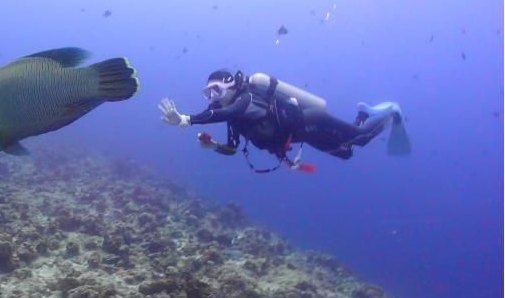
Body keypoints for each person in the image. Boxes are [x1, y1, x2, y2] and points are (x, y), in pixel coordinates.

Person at [158, 70, 410, 173]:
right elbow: (232, 148)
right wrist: (213, 146)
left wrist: (185, 119)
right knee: (346, 154)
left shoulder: (245, 100)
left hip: (311, 120)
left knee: (361, 139)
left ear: (230, 85)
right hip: (303, 135)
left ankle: (392, 113)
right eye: (207, 94)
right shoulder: (234, 117)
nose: (212, 98)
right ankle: (363, 113)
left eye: (215, 90)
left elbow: (223, 113)